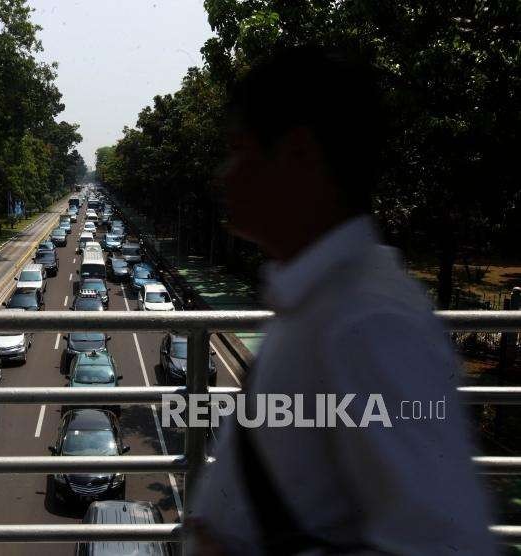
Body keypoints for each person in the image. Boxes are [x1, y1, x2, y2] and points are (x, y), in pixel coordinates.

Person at [187, 47, 497, 555]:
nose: (224, 175)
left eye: (239, 150)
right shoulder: (317, 301)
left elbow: (446, 543)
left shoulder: (370, 321)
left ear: (299, 155)